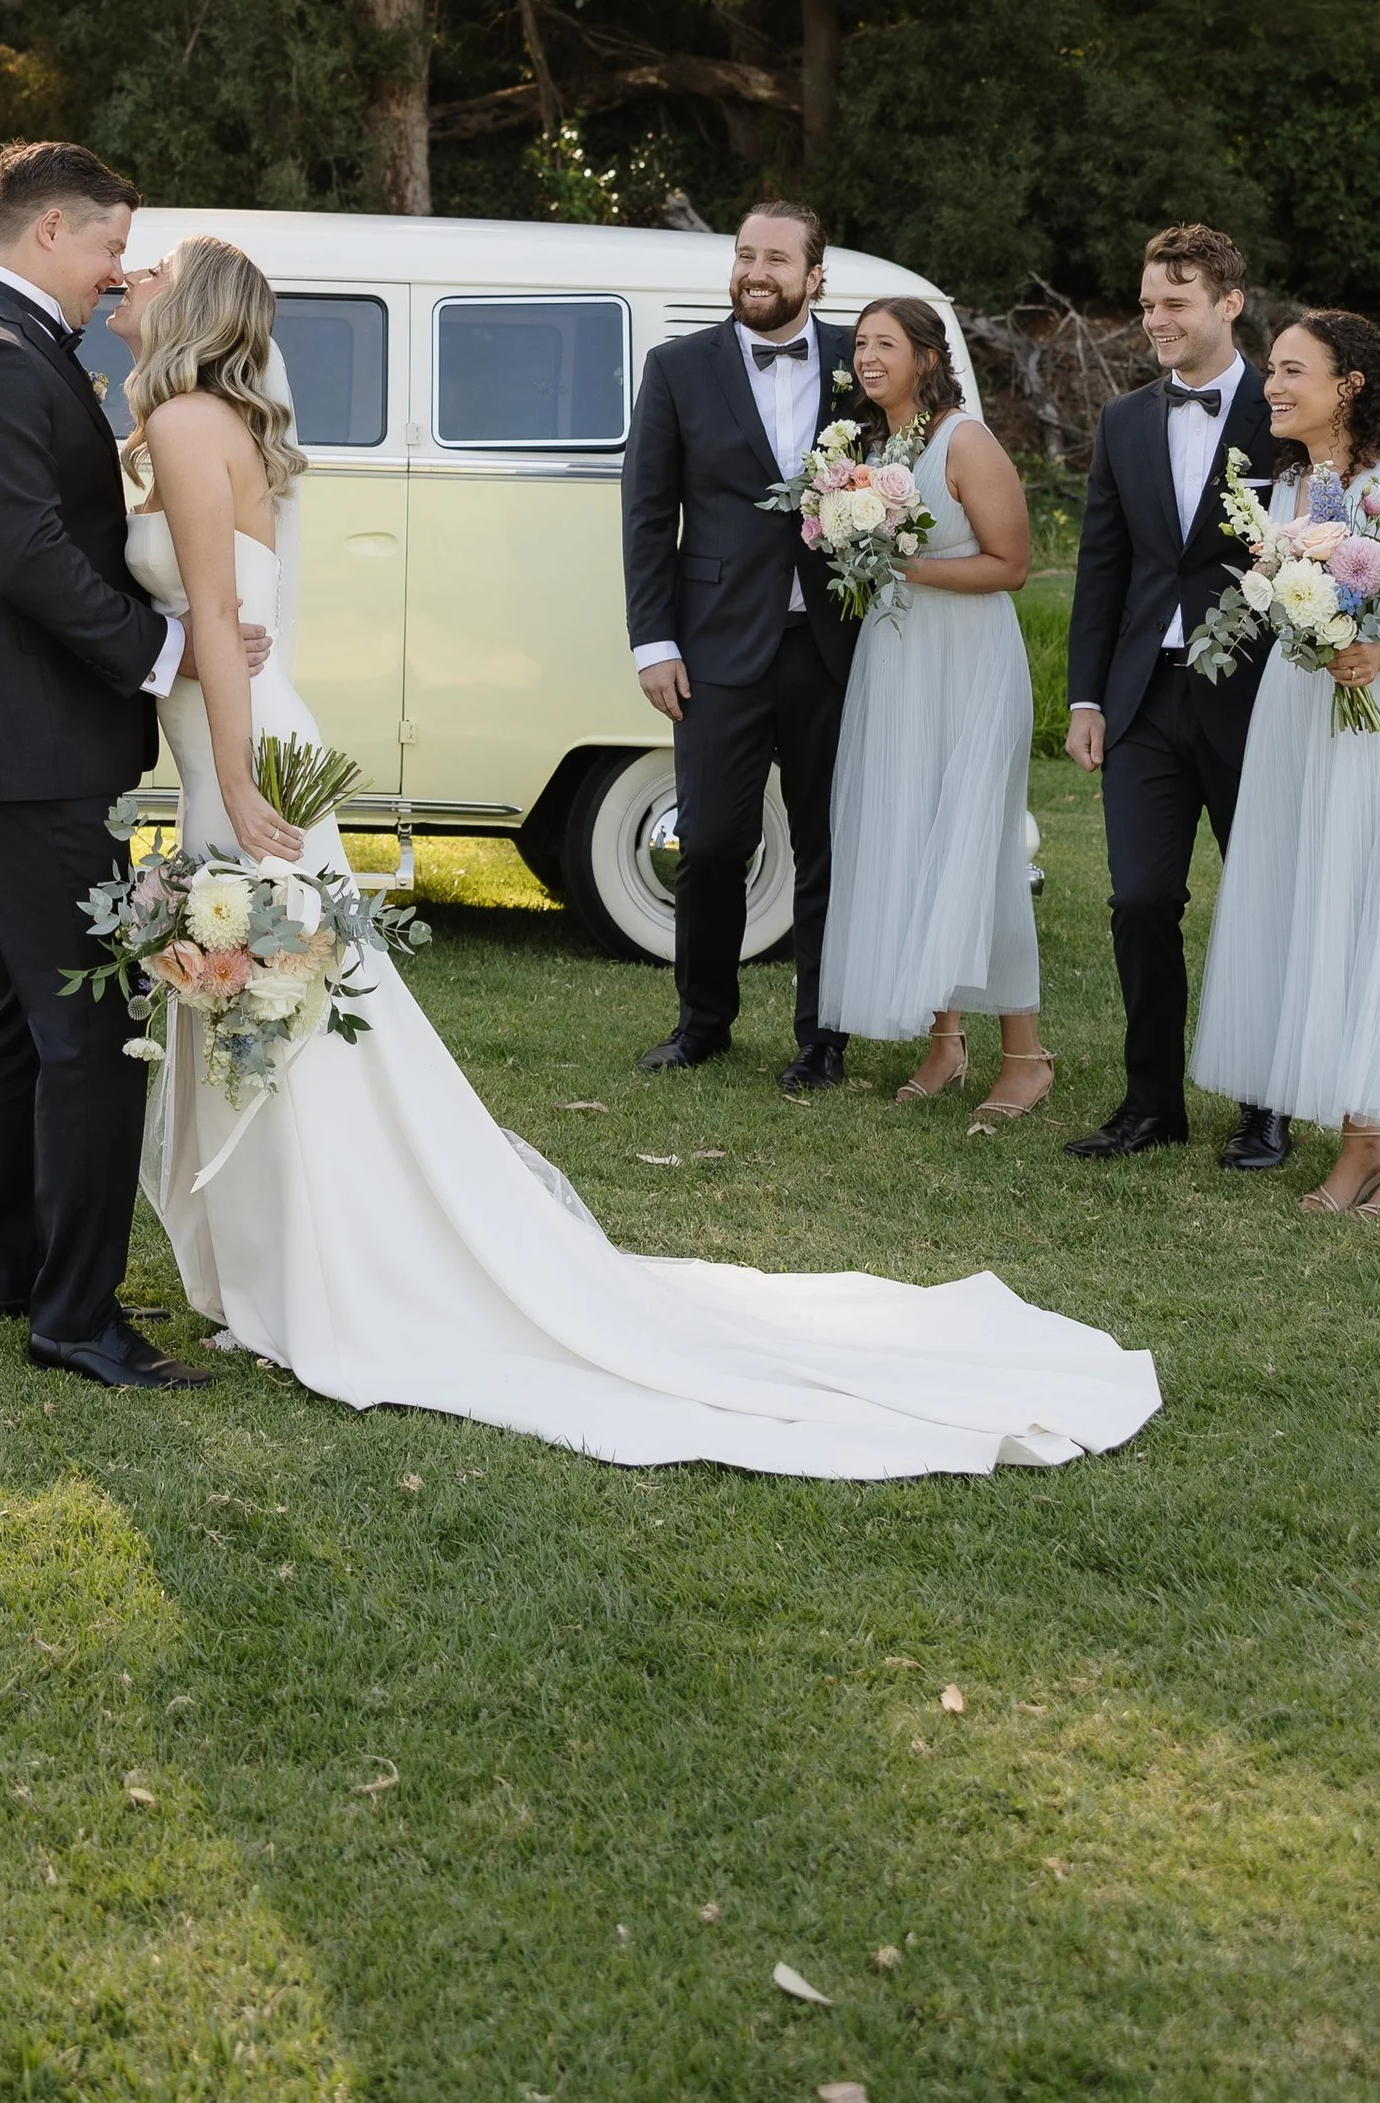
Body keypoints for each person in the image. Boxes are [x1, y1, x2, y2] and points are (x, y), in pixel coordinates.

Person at [125, 236, 1161, 1474]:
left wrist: (236, 785)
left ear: (187, 307)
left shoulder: (189, 426)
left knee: (284, 1003)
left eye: (148, 270)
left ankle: (319, 1261)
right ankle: (276, 1251)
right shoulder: (210, 423)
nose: (128, 279)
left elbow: (222, 638)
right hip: (240, 747)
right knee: (284, 1006)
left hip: (239, 763)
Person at [0, 141, 268, 1393]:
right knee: (93, 1025)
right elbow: (30, 557)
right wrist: (165, 651)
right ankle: (79, 1320)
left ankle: (16, 1267)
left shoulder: (4, 348)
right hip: (23, 742)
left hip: (21, 739)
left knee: (15, 1012)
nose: (118, 274)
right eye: (110, 246)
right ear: (50, 230)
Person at [1190, 312, 1380, 1217]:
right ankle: (1359, 1144)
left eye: (1291, 369)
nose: (1271, 385)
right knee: (1316, 912)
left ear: (1348, 384)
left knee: (1377, 920)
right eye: (1271, 369)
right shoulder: (1293, 486)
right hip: (1299, 717)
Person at [619, 201, 858, 1089]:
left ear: (814, 276)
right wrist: (654, 641)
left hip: (836, 645)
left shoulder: (857, 363)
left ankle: (822, 1037)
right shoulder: (678, 367)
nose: (756, 272)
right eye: (745, 256)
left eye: (777, 259)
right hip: (716, 644)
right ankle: (702, 1021)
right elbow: (648, 513)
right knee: (714, 842)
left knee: (828, 842)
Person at [1063, 225, 1281, 1165]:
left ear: (1229, 304)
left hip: (1258, 697)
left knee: (1261, 900)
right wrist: (1084, 699)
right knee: (1140, 901)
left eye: (1175, 303)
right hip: (1144, 698)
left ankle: (1265, 1108)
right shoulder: (1122, 421)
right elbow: (1101, 568)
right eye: (1148, 302)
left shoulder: (1287, 410)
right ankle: (1152, 1102)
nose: (1154, 319)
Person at [817, 299, 1052, 1122]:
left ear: (926, 356)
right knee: (914, 834)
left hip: (971, 662)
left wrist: (900, 565)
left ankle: (1025, 1058)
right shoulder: (871, 448)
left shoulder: (966, 439)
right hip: (899, 660)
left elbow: (1012, 564)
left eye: (885, 344)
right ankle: (946, 1043)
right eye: (860, 345)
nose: (868, 356)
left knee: (976, 849)